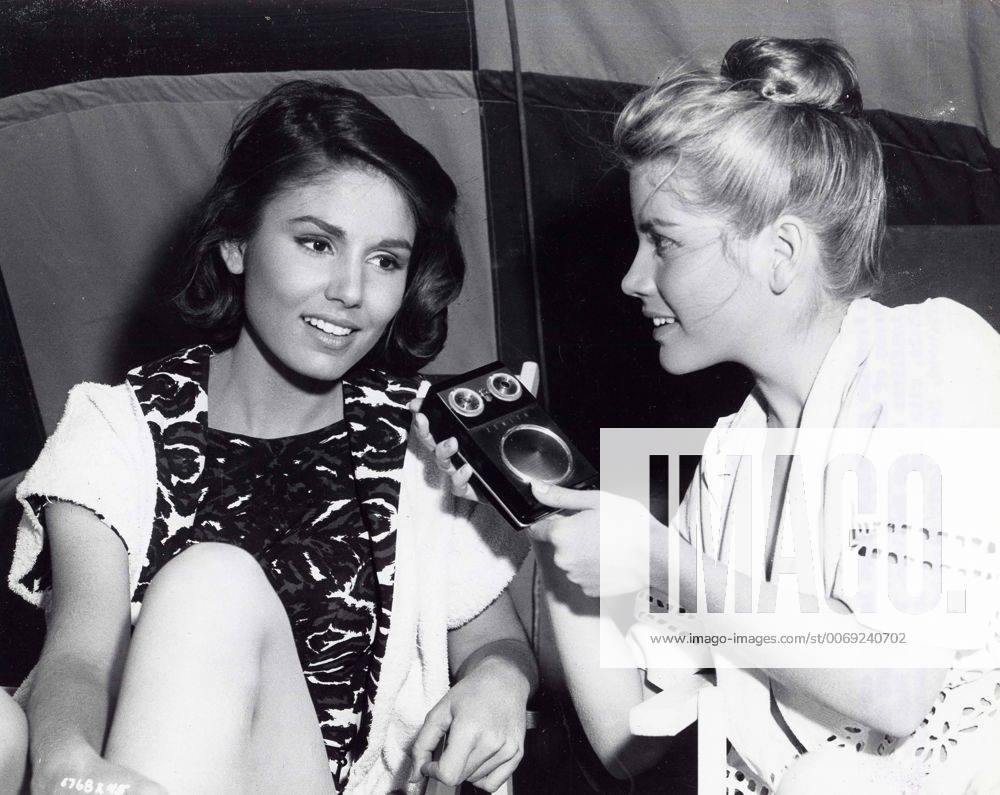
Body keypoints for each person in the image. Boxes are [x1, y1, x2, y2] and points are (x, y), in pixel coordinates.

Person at [418, 37, 1000, 793]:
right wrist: (543, 518)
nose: (633, 277)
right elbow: (633, 739)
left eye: (663, 242)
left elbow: (897, 687)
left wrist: (661, 560)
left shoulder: (931, 356)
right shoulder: (734, 456)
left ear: (781, 252)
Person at [2, 80, 534, 794]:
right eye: (317, 243)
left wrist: (500, 680)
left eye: (386, 260)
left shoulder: (419, 437)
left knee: (210, 583)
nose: (351, 290)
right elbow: (79, 656)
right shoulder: (117, 427)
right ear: (234, 243)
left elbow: (492, 636)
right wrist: (66, 763)